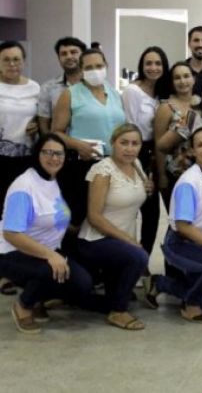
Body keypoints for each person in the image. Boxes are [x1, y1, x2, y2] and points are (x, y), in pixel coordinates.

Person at [0, 134, 105, 334]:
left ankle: (40, 297)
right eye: (47, 153)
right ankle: (24, 305)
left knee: (82, 282)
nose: (54, 158)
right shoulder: (24, 186)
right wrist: (50, 255)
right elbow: (12, 234)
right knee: (50, 270)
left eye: (59, 154)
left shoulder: (53, 179)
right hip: (12, 252)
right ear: (37, 154)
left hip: (45, 251)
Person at [146, 128, 202, 323]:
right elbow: (184, 226)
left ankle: (162, 283)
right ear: (192, 151)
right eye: (200, 145)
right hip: (181, 243)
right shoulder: (189, 181)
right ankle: (190, 304)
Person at [76, 124, 150, 330]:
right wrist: (128, 240)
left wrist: (147, 187)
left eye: (135, 143)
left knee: (116, 295)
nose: (129, 148)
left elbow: (137, 190)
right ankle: (118, 313)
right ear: (112, 144)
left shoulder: (136, 164)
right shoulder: (103, 170)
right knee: (139, 256)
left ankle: (70, 298)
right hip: (95, 239)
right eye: (123, 143)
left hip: (118, 239)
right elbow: (94, 217)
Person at [52, 48, 126, 245]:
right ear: (82, 69)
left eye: (99, 66)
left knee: (105, 218)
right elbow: (56, 132)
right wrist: (77, 144)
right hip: (83, 165)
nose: (95, 70)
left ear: (107, 66)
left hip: (112, 166)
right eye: (89, 67)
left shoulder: (115, 94)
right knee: (78, 219)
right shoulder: (71, 94)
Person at [121, 46, 170, 255]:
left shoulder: (164, 92)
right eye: (148, 63)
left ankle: (144, 263)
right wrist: (136, 164)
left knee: (155, 214)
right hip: (139, 153)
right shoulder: (133, 91)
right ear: (141, 66)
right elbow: (130, 127)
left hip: (161, 152)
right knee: (142, 210)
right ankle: (134, 260)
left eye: (158, 63)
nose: (153, 67)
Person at [0, 41, 40, 208]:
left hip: (25, 156)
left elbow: (41, 117)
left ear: (23, 61)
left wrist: (37, 125)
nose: (12, 64)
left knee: (20, 204)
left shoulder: (35, 88)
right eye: (6, 59)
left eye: (16, 59)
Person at [154, 62, 197, 208]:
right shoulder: (166, 107)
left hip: (200, 171)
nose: (183, 81)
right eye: (177, 78)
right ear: (172, 82)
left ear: (193, 79)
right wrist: (162, 176)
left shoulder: (201, 103)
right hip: (174, 173)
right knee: (178, 219)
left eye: (186, 76)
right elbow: (159, 145)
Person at [37, 36, 86, 135]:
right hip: (60, 146)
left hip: (90, 144)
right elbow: (43, 123)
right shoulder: (48, 88)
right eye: (63, 54)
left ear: (83, 55)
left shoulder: (95, 86)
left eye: (73, 52)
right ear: (59, 58)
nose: (68, 57)